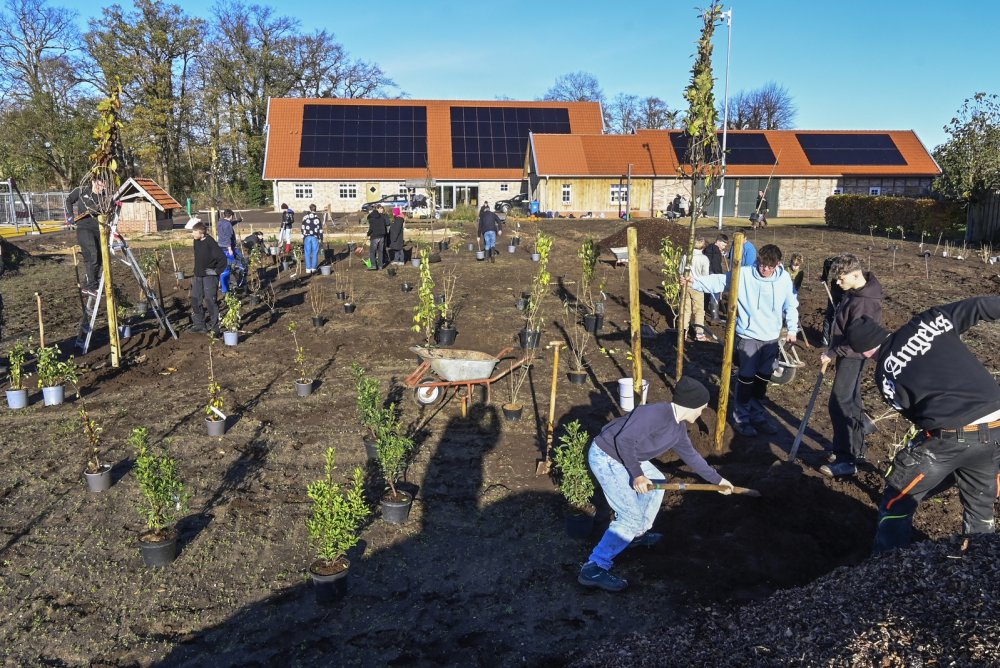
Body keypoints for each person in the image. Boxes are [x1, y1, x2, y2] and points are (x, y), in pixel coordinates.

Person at [846, 297, 1000, 553]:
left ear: (864, 353)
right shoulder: (928, 321)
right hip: (996, 424)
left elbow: (916, 417)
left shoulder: (885, 374)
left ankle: (885, 566)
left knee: (896, 501)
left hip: (951, 435)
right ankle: (979, 561)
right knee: (980, 505)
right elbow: (979, 307)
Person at [577, 376, 734, 592]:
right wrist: (637, 475)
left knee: (658, 481)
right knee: (630, 516)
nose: (702, 413)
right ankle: (594, 567)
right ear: (691, 405)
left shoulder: (678, 428)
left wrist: (718, 480)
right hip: (607, 457)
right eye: (702, 408)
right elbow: (624, 441)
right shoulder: (653, 414)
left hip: (626, 457)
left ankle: (637, 534)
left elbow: (692, 456)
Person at [690, 244, 798, 437]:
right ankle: (742, 418)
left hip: (771, 338)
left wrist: (791, 328)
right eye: (761, 264)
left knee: (762, 379)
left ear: (778, 264)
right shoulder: (745, 274)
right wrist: (694, 282)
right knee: (746, 378)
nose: (764, 269)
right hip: (748, 336)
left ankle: (757, 415)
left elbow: (791, 304)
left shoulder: (784, 280)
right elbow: (720, 281)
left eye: (769, 266)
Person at [818, 254, 883, 477]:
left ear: (855, 274)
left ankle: (846, 459)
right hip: (848, 353)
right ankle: (856, 449)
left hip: (853, 355)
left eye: (840, 278)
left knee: (839, 402)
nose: (837, 283)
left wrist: (832, 352)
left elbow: (860, 341)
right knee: (851, 400)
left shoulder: (865, 302)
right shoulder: (857, 291)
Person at [64, 177, 107, 297]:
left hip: (98, 229)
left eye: (104, 186)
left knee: (99, 258)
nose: (102, 188)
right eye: (100, 185)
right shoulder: (81, 191)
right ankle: (92, 286)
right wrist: (70, 216)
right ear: (93, 182)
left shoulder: (104, 197)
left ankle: (89, 284)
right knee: (92, 254)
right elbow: (68, 200)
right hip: (84, 228)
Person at [186, 218, 228, 335]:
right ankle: (200, 325)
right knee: (195, 300)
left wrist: (216, 271)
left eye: (195, 232)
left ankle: (215, 328)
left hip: (209, 276)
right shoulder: (196, 241)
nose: (193, 234)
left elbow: (222, 258)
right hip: (198, 275)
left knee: (210, 301)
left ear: (202, 233)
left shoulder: (210, 243)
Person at [680, 237, 710, 341]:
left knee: (686, 309)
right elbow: (705, 275)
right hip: (697, 287)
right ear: (703, 246)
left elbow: (681, 271)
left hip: (686, 285)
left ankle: (683, 331)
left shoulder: (686, 257)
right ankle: (699, 333)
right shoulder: (704, 259)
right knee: (699, 311)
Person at [702, 234, 729, 324]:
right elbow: (716, 264)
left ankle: (702, 314)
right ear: (718, 241)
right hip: (714, 274)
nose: (724, 247)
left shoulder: (709, 248)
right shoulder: (716, 250)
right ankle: (715, 317)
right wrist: (720, 277)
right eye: (723, 245)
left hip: (706, 274)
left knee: (706, 294)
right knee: (715, 295)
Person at [216, 209, 240, 294]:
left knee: (225, 267)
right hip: (228, 248)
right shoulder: (227, 225)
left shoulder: (221, 222)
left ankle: (225, 288)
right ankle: (230, 287)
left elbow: (229, 224)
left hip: (221, 247)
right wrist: (230, 249)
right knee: (235, 266)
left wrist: (237, 221)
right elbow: (228, 237)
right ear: (231, 216)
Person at [301, 204, 323, 273]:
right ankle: (313, 268)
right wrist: (321, 238)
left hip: (307, 236)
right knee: (315, 252)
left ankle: (308, 268)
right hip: (315, 236)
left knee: (307, 252)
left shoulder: (305, 217)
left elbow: (302, 228)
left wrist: (303, 236)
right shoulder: (317, 218)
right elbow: (320, 229)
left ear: (310, 209)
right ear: (315, 209)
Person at [366, 205, 389, 270]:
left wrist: (368, 234)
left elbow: (371, 229)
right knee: (380, 251)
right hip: (382, 236)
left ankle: (373, 265)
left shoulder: (371, 218)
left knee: (372, 251)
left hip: (375, 237)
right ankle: (380, 266)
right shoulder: (381, 216)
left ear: (370, 211)